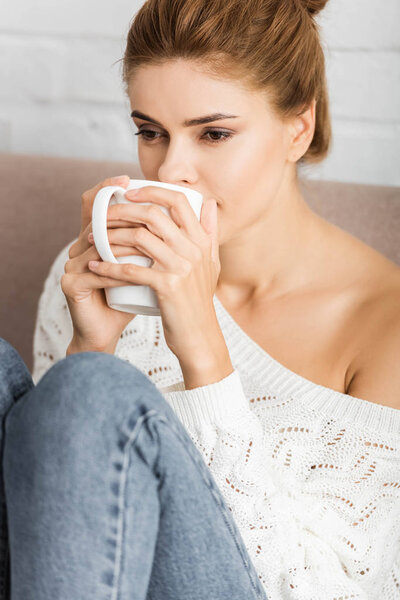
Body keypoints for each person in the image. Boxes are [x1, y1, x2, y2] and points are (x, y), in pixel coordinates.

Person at [1, 0, 399, 598]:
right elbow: (53, 537)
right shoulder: (93, 275)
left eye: (213, 133)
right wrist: (92, 345)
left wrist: (204, 355)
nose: (171, 169)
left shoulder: (384, 325)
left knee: (93, 390)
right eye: (151, 132)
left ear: (300, 127)